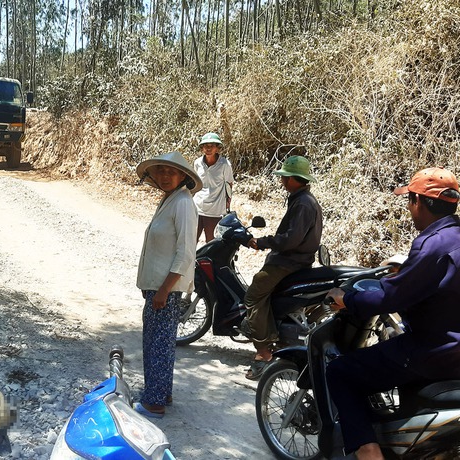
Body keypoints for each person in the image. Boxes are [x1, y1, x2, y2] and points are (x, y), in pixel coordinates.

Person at [325, 167, 460, 460]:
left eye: (410, 202)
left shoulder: (431, 244)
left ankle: (368, 450)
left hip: (432, 351)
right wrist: (407, 273)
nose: (410, 209)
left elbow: (391, 297)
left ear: (418, 202)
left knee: (339, 372)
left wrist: (347, 299)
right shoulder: (451, 240)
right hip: (454, 352)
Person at [241, 155, 323, 380]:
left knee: (253, 295)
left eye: (286, 177)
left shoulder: (304, 203)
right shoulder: (302, 199)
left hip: (289, 262)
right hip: (294, 260)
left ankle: (263, 352)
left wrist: (263, 242)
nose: (283, 181)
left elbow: (290, 240)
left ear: (297, 179)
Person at [134, 151, 201, 418]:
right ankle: (162, 392)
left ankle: (154, 402)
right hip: (159, 287)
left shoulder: (183, 203)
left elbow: (185, 253)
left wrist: (163, 290)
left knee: (158, 343)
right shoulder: (170, 200)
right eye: (160, 171)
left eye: (170, 172)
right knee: (159, 342)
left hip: (167, 288)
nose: (164, 176)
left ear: (183, 176)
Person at [193, 133, 234, 242]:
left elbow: (229, 184)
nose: (208, 148)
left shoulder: (225, 165)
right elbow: (195, 184)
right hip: (197, 207)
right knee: (190, 240)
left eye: (212, 146)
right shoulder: (197, 163)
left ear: (217, 148)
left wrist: (227, 206)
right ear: (202, 148)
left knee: (211, 242)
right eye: (206, 146)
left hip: (214, 210)